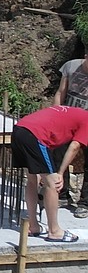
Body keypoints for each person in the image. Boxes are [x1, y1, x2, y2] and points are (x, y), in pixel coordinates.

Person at [11, 104, 88, 243]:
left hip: (19, 129)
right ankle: (55, 231)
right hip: (35, 136)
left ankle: (33, 226)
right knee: (52, 183)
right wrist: (60, 172)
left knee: (32, 180)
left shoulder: (76, 112)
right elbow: (75, 147)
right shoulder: (87, 121)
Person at [52, 56, 88, 213]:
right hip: (67, 119)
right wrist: (54, 115)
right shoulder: (71, 66)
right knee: (59, 154)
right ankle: (62, 194)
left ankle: (85, 202)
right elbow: (61, 92)